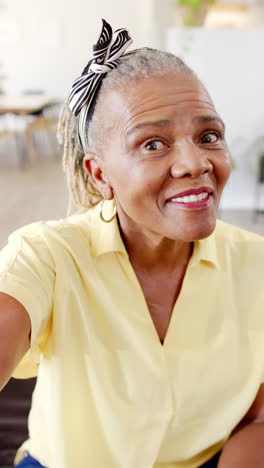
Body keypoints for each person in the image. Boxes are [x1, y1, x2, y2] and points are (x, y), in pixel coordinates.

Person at [0, 18, 264, 468]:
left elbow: (258, 418)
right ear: (100, 174)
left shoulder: (256, 264)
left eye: (208, 136)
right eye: (153, 144)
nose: (194, 163)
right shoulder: (46, 255)